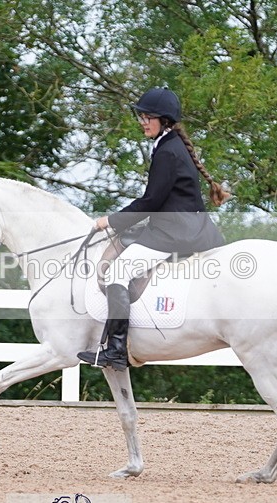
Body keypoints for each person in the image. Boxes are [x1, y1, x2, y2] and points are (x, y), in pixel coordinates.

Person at [77, 87, 228, 371]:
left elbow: (151, 201)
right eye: (141, 116)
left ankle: (116, 349)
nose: (143, 121)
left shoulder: (167, 151)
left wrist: (110, 220)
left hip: (175, 233)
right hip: (182, 226)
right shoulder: (168, 145)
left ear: (165, 120)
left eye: (148, 117)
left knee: (118, 272)